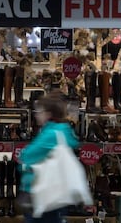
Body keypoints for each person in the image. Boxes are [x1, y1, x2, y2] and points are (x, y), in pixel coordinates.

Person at [19, 90, 79, 223]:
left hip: (42, 194)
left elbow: (26, 157)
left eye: (39, 111)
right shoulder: (62, 130)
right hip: (56, 194)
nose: (37, 115)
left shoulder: (50, 134)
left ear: (48, 114)